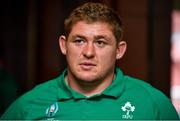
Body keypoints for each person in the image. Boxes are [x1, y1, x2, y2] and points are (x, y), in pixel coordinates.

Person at [1, 2, 179, 120]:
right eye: (79, 41)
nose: (88, 52)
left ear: (119, 50)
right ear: (64, 45)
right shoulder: (28, 106)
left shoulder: (153, 104)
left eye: (100, 42)